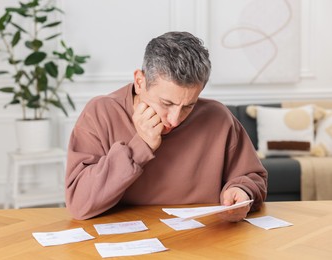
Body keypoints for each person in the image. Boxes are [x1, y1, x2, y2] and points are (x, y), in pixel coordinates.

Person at [65, 31, 267, 221]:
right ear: (139, 81)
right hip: (124, 243)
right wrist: (139, 147)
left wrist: (242, 191)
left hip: (203, 241)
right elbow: (79, 204)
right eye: (166, 103)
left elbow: (252, 177)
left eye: (188, 106)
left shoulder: (218, 118)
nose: (175, 119)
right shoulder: (101, 113)